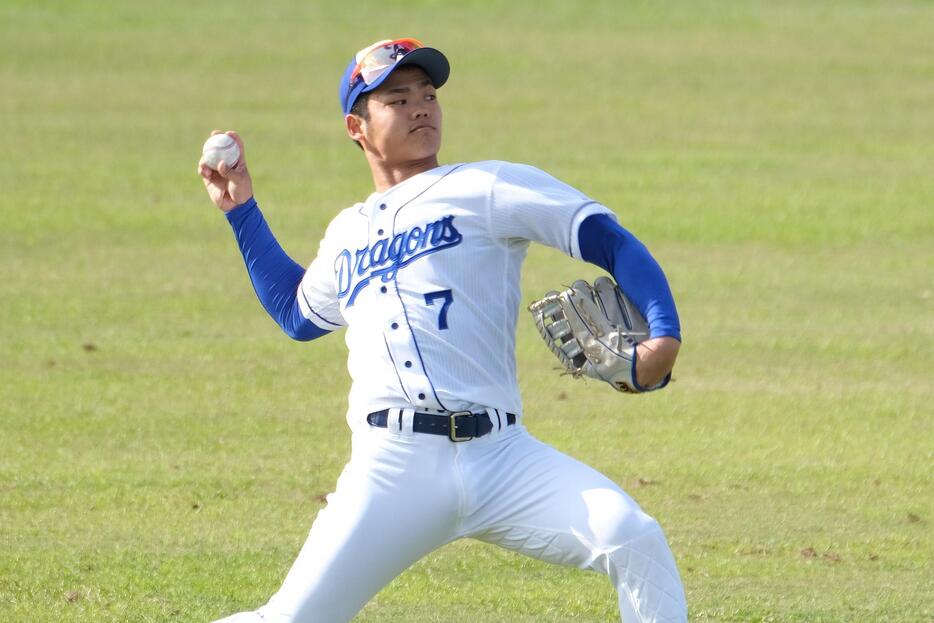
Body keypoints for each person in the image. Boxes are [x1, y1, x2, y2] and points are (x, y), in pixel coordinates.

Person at [198, 37, 687, 623]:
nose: (421, 108)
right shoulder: (346, 233)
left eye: (427, 95)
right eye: (397, 100)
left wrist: (665, 333)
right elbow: (299, 315)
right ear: (357, 127)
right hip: (393, 468)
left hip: (503, 459)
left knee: (633, 537)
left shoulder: (486, 187)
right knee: (292, 618)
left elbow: (607, 238)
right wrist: (241, 211)